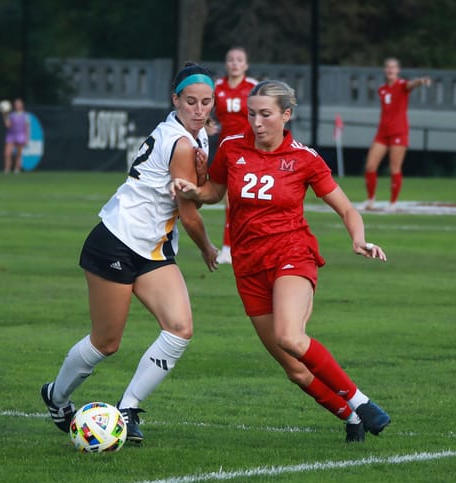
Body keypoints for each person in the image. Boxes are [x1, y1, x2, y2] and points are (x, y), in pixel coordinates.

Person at [174, 80, 390, 443]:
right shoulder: (231, 147)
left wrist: (358, 239)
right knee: (294, 369)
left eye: (265, 114)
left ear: (286, 115)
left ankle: (361, 400)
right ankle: (351, 416)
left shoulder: (305, 158)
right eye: (251, 114)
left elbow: (346, 208)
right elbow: (215, 192)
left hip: (292, 254)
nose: (256, 122)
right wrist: (196, 191)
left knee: (289, 336)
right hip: (248, 265)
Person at [41, 63, 219, 443]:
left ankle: (128, 408)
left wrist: (200, 182)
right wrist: (207, 247)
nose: (199, 110)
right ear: (175, 100)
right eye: (191, 102)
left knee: (179, 329)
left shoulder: (199, 136)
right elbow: (189, 216)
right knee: (106, 342)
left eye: (206, 102)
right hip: (117, 240)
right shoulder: (183, 143)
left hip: (152, 248)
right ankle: (56, 397)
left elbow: (191, 200)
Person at [363, 58, 431, 211]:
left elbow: (411, 85)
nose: (390, 70)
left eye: (393, 67)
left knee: (395, 168)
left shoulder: (402, 85)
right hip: (382, 132)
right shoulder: (381, 89)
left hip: (398, 132)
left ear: (398, 70)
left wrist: (421, 81)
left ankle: (393, 203)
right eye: (388, 67)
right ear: (384, 70)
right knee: (370, 166)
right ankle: (370, 200)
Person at [211, 47, 258, 265]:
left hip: (250, 148)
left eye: (239, 60)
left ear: (246, 65)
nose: (234, 63)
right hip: (226, 149)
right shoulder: (217, 87)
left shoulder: (253, 87)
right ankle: (229, 248)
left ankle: (237, 247)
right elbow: (206, 112)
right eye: (230, 59)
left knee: (248, 198)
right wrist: (207, 124)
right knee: (230, 200)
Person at [3, 98, 30, 174]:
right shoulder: (11, 115)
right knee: (7, 153)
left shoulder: (26, 115)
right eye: (16, 104)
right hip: (11, 135)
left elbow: (27, 128)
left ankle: (17, 169)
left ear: (22, 105)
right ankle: (7, 169)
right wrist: (4, 115)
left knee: (18, 154)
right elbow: (7, 125)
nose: (17, 105)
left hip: (21, 135)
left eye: (19, 104)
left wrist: (27, 139)